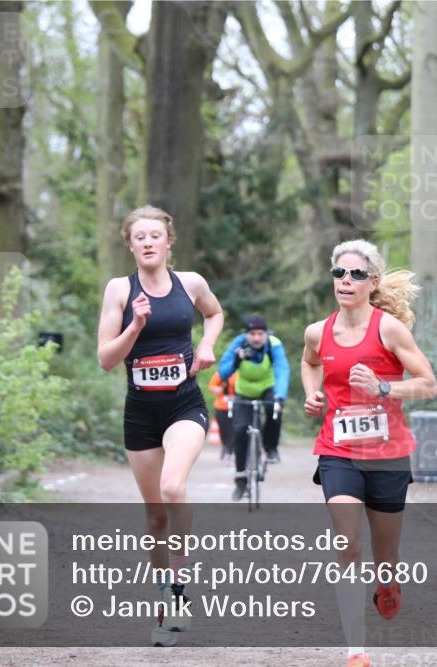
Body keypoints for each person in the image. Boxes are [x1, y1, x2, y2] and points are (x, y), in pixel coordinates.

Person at [301, 239, 437, 667]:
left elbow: (428, 384)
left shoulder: (389, 330)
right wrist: (312, 394)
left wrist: (382, 386)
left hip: (388, 454)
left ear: (372, 282)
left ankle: (388, 584)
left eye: (356, 274)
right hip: (337, 450)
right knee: (348, 545)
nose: (346, 281)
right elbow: (309, 363)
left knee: (385, 556)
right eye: (339, 273)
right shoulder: (317, 332)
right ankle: (356, 650)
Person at [96, 205, 224, 646]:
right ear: (129, 244)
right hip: (141, 415)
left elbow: (215, 313)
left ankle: (180, 586)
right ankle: (163, 594)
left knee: (173, 489)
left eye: (156, 235)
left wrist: (206, 345)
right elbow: (106, 360)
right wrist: (135, 325)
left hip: (184, 404)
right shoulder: (119, 289)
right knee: (155, 517)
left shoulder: (191, 284)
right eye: (140, 237)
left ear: (170, 242)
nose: (148, 242)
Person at [217, 315, 290, 501]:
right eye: (252, 334)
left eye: (260, 334)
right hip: (244, 391)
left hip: (268, 388)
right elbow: (223, 372)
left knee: (274, 408)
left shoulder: (274, 344)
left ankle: (270, 446)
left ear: (266, 334)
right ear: (246, 334)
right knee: (240, 430)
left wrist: (280, 395)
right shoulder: (238, 344)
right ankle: (241, 478)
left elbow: (282, 370)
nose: (256, 338)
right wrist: (236, 361)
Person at [207, 370, 237, 459]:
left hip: (237, 405)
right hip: (222, 406)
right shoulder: (221, 373)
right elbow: (212, 386)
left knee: (235, 428)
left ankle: (232, 450)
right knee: (224, 429)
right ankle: (225, 446)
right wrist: (221, 389)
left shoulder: (241, 372)